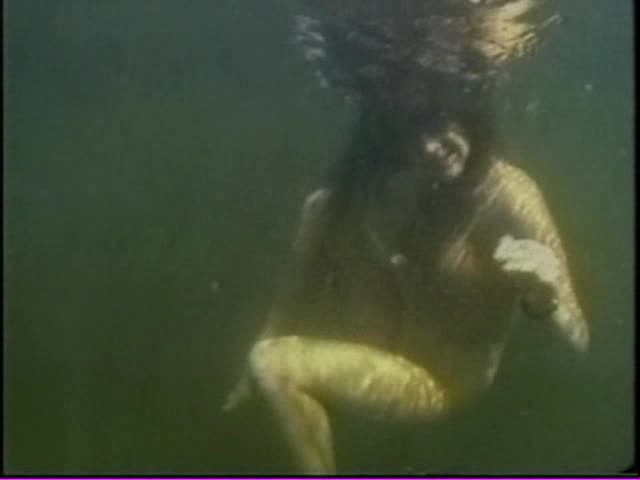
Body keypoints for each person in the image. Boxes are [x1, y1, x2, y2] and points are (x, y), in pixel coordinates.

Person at [223, 1, 587, 474]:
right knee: (268, 361)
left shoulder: (511, 196)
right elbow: (291, 300)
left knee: (274, 364)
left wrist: (547, 294)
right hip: (369, 373)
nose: (430, 148)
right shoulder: (347, 200)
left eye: (439, 122)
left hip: (442, 384)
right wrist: (247, 382)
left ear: (469, 113)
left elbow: (579, 340)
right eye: (409, 135)